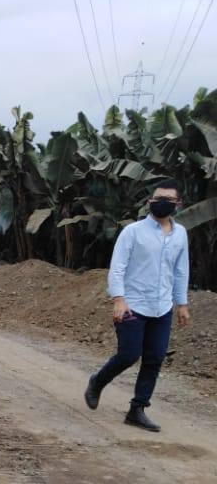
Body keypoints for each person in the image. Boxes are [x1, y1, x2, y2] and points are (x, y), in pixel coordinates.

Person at [84, 179, 190, 432]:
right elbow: (117, 267)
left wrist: (182, 304)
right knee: (129, 354)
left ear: (178, 204)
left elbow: (180, 270)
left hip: (162, 307)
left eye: (168, 199)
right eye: (157, 198)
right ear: (150, 201)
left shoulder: (180, 234)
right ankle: (97, 382)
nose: (161, 203)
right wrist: (119, 299)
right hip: (132, 305)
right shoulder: (133, 232)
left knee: (154, 358)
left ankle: (137, 409)